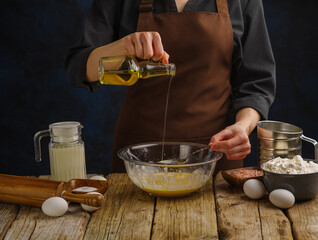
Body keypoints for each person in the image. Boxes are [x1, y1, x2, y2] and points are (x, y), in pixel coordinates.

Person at [65, 0, 276, 174]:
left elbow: (256, 83)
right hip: (138, 156)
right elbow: (77, 68)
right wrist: (122, 47)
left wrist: (243, 126)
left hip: (216, 155)